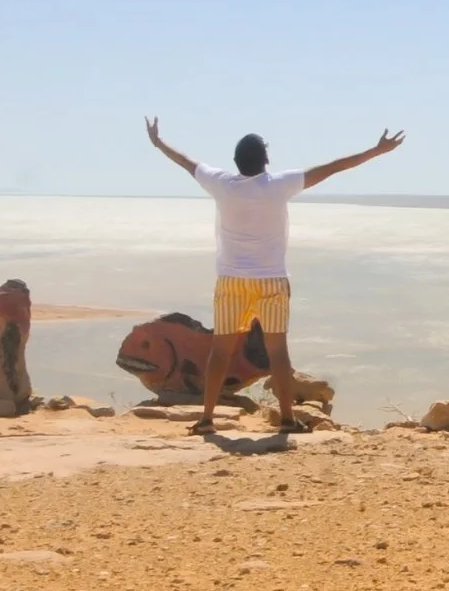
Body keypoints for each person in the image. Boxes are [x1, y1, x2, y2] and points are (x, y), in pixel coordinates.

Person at [142, 117, 405, 434]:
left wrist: (158, 143)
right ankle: (287, 419)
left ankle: (207, 419)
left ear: (237, 162)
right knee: (278, 351)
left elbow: (187, 163)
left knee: (220, 351)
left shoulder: (222, 184)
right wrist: (377, 151)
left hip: (231, 281)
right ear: (265, 160)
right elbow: (334, 167)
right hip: (272, 281)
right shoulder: (279, 185)